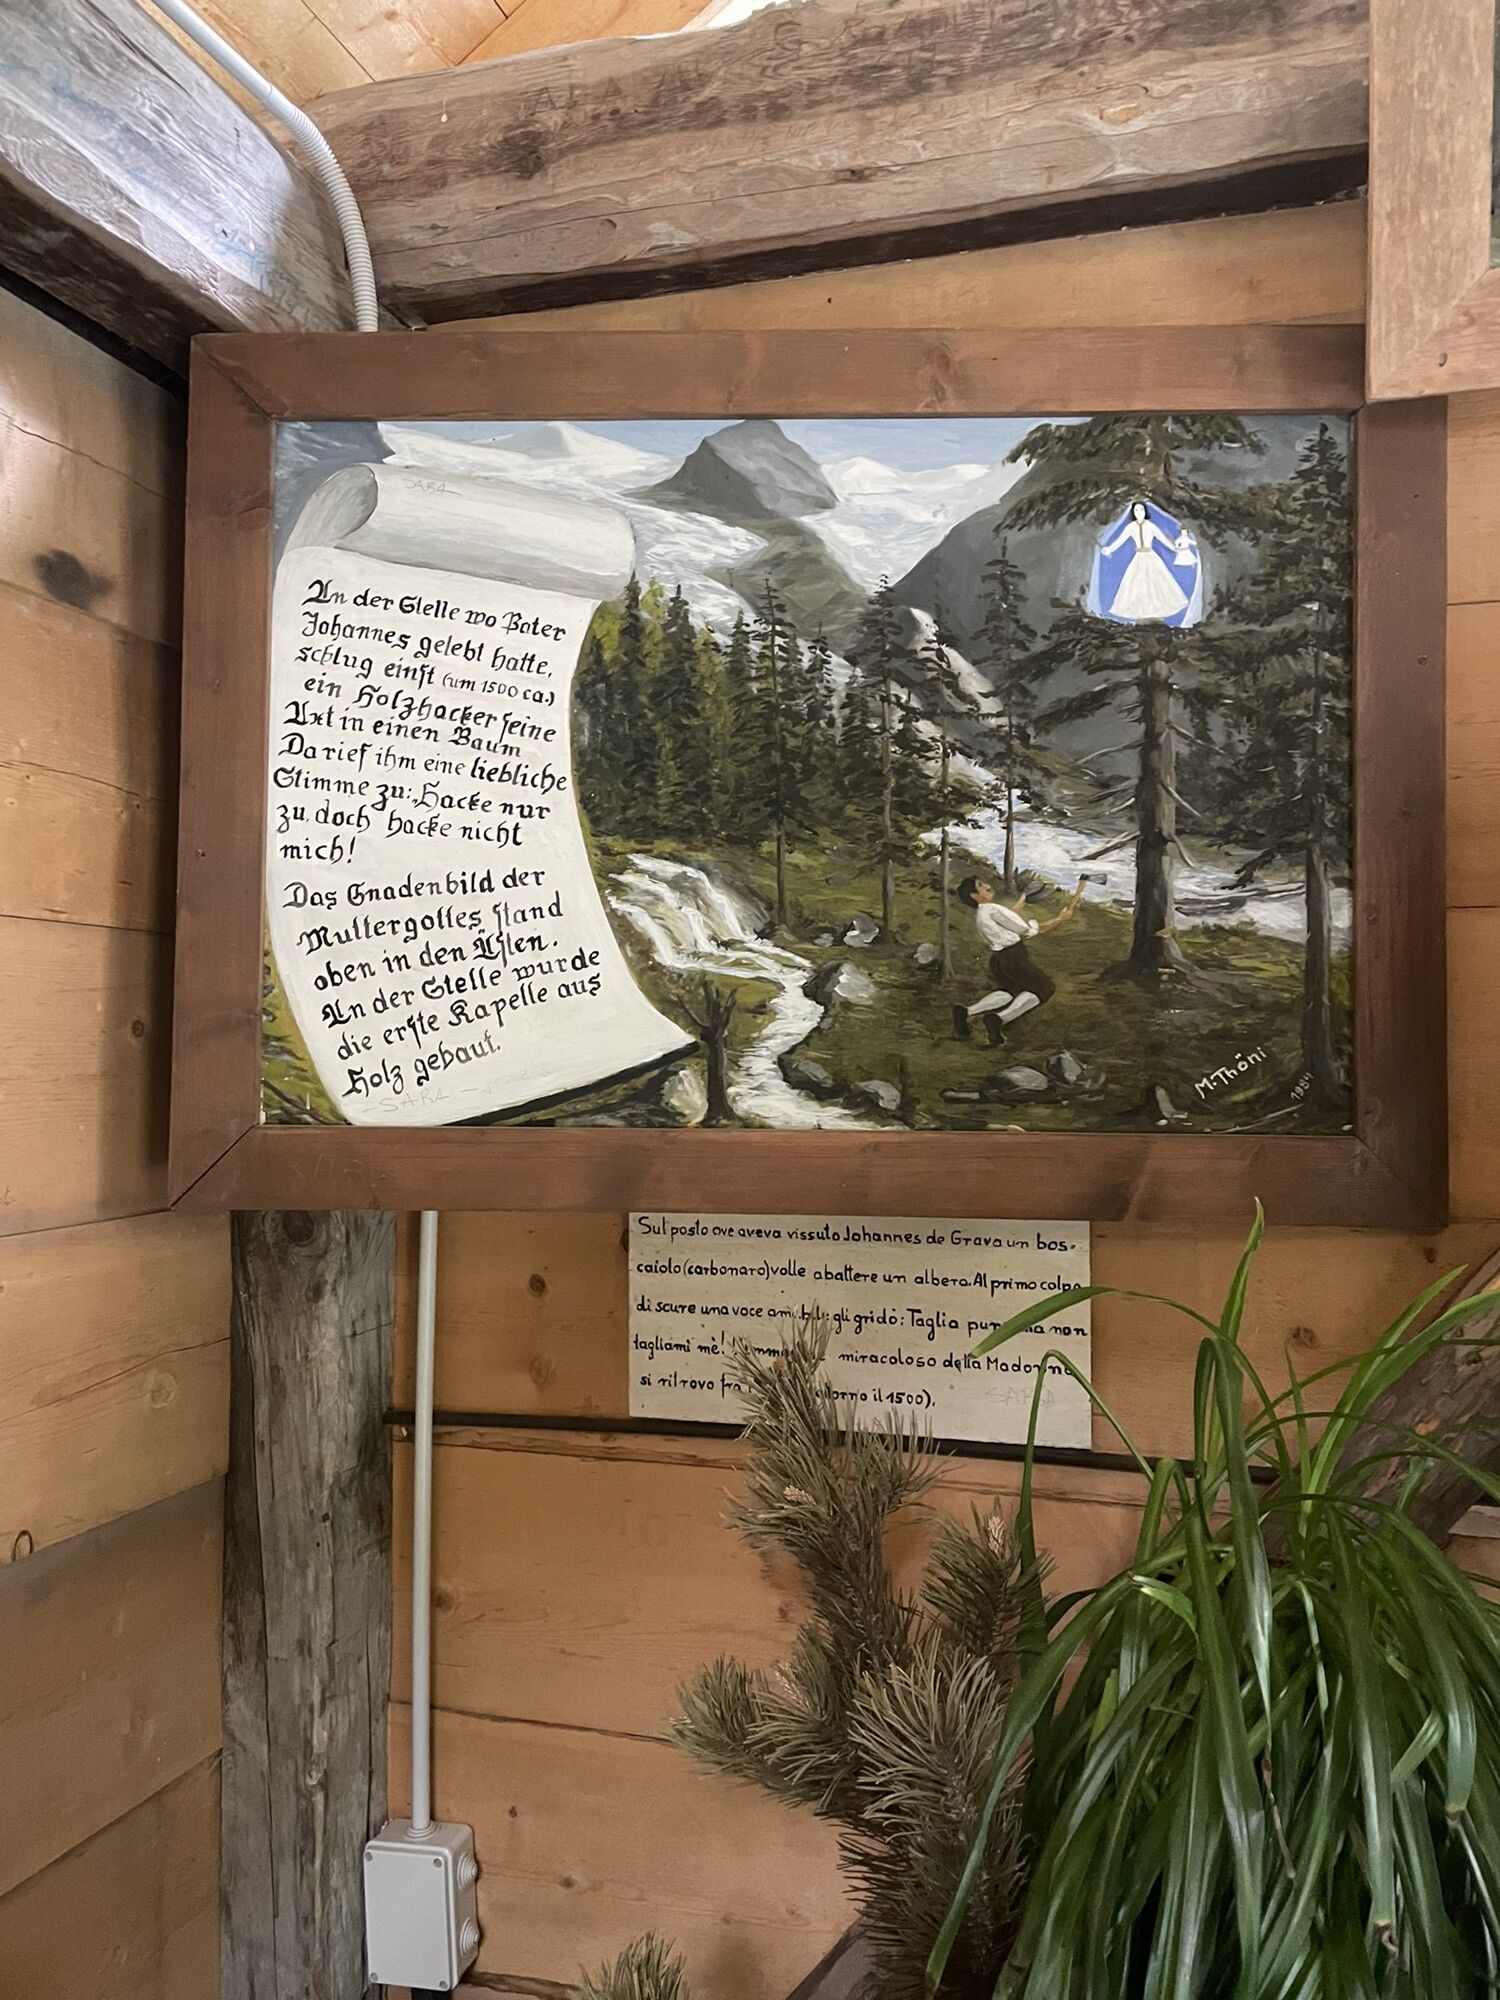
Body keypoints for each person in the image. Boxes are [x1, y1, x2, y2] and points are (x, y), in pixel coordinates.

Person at [951, 873, 1087, 1047]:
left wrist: (1023, 898)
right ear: (974, 895)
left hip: (998, 959)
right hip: (1013, 957)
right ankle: (999, 1019)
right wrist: (1060, 919)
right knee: (1044, 987)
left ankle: (965, 1012)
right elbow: (1026, 930)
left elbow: (1009, 918)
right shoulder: (993, 909)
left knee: (1008, 991)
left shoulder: (983, 913)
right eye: (981, 886)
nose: (987, 886)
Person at [1099, 500, 1190, 623]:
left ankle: (1156, 614)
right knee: (1137, 584)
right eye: (1136, 510)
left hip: (1151, 558)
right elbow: (1120, 540)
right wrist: (1109, 549)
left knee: (1157, 584)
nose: (1139, 512)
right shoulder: (1130, 527)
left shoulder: (1151, 526)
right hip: (1138, 558)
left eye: (1141, 509)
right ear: (1133, 512)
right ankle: (1142, 615)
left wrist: (1176, 548)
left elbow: (1163, 539)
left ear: (1145, 511)